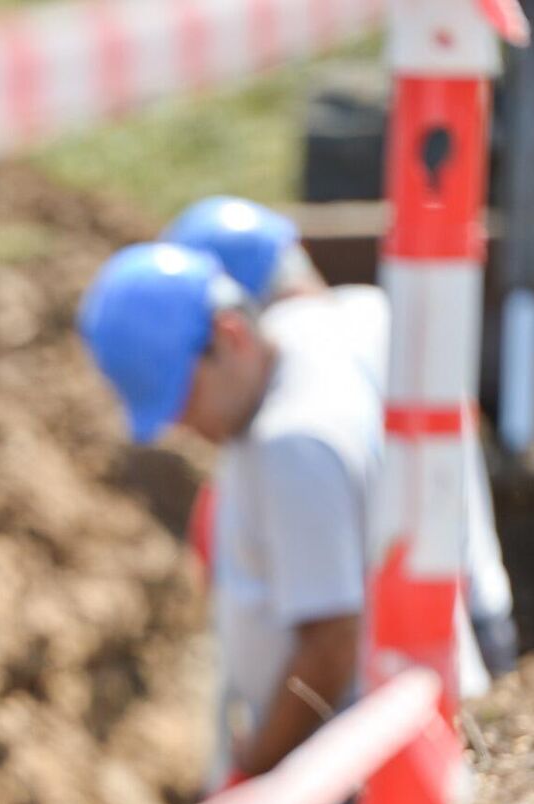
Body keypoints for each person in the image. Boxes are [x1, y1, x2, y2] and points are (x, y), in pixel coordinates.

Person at [78, 243, 489, 804]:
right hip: (370, 724)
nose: (183, 427)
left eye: (183, 399)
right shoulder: (304, 344)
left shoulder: (291, 441)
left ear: (231, 338)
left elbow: (330, 645)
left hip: (340, 753)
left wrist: (253, 774)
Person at [163, 195, 518, 678]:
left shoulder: (298, 411)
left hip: (429, 641)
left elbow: (333, 629)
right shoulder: (376, 314)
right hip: (475, 607)